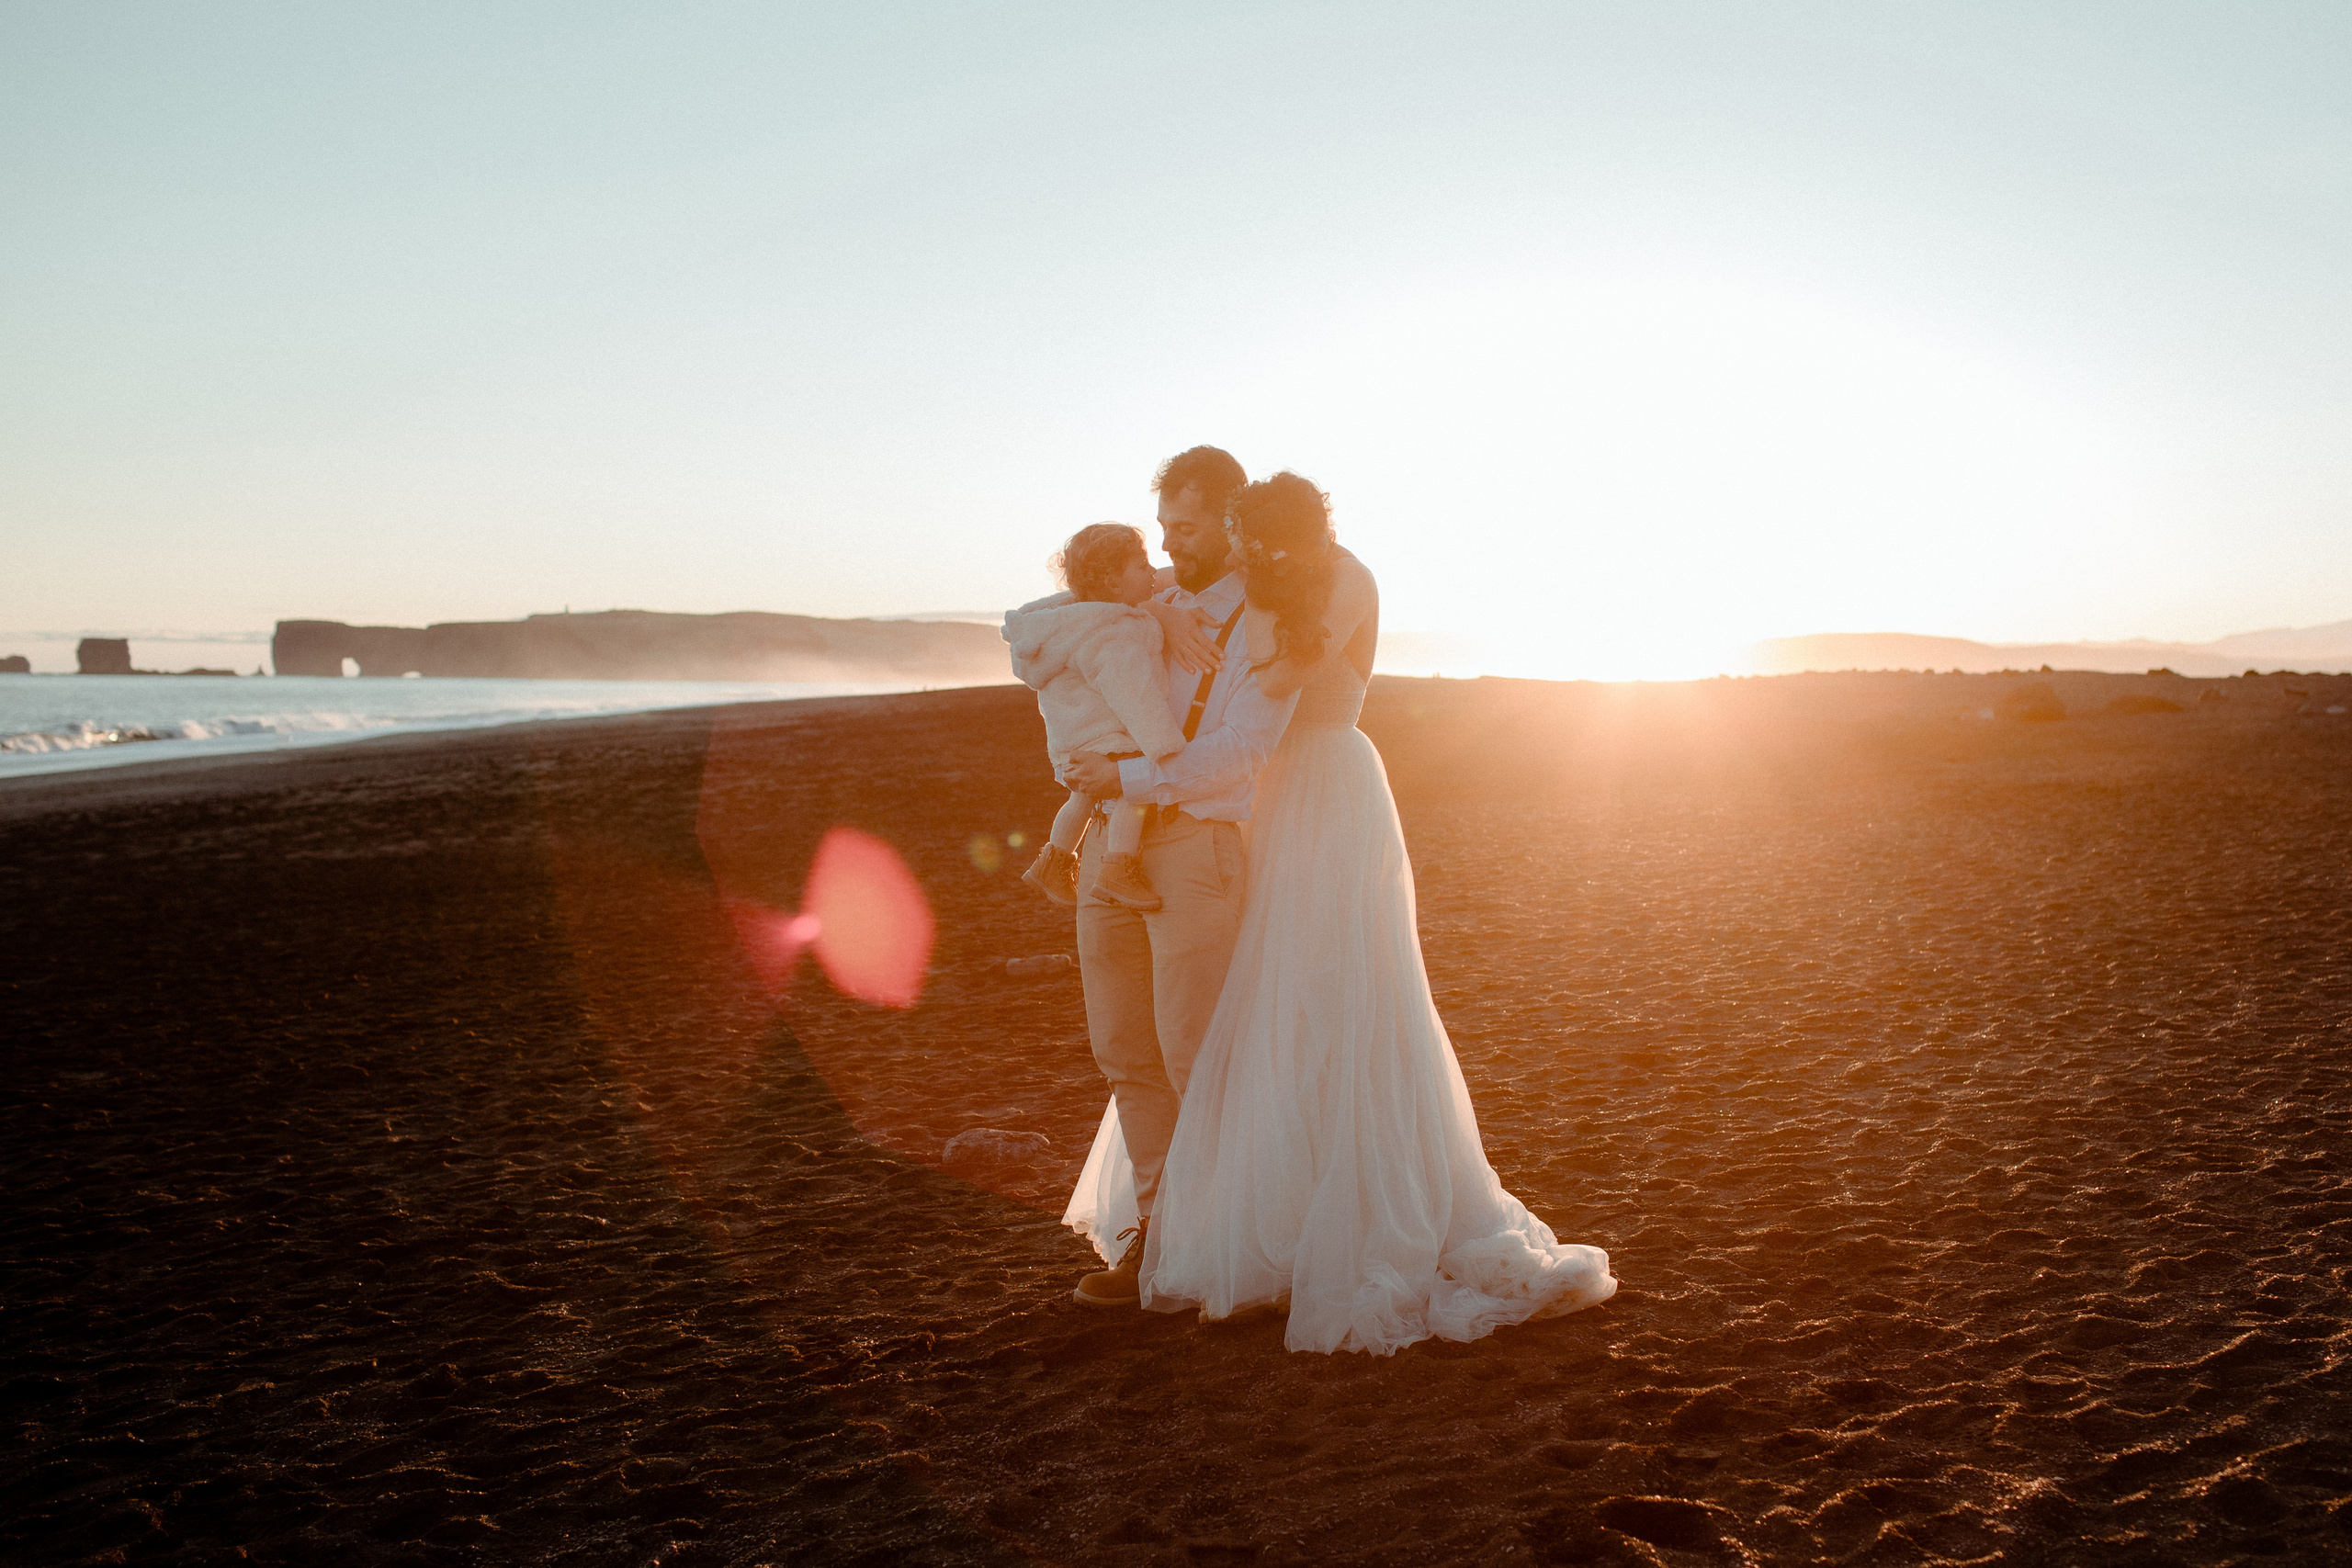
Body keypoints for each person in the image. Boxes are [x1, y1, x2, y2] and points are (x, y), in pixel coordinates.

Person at [1064, 472, 1619, 1353]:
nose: (1247, 550)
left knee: (1335, 989)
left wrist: (1253, 598)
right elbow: (1149, 615)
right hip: (1263, 801)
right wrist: (1166, 614)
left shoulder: (1342, 577)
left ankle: (1300, 1224)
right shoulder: (1246, 582)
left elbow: (1286, 676)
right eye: (1242, 536)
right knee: (1258, 1002)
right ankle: (1230, 1217)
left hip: (1330, 786)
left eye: (1253, 535)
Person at [1010, 445, 1297, 1309]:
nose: (1171, 545)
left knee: (1193, 1052)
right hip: (1107, 844)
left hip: (1192, 847)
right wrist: (1156, 618)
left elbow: (1247, 748)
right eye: (1164, 525)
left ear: (1235, 522)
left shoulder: (1264, 618)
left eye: (1189, 526)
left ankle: (1232, 1240)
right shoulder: (1148, 599)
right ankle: (1158, 1235)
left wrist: (1131, 777)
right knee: (1124, 1052)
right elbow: (1049, 618)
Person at [1005, 523, 1186, 911]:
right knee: (1132, 792)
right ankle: (1119, 867)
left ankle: (1054, 860)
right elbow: (1134, 694)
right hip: (1112, 737)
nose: (1153, 571)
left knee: (1083, 796)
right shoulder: (1113, 634)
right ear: (1113, 583)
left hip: (1075, 737)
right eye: (1141, 565)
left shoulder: (1067, 625)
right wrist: (1162, 745)